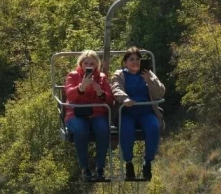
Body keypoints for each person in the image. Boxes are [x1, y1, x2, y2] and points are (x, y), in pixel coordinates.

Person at [111, 46, 165, 181]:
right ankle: (129, 163)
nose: (135, 62)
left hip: (145, 111)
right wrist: (125, 99)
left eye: (138, 59)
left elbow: (160, 92)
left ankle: (148, 163)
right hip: (127, 112)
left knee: (153, 127)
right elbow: (116, 88)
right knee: (126, 130)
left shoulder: (148, 74)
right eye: (132, 59)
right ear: (125, 62)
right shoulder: (120, 74)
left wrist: (149, 80)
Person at [64, 50, 114, 181]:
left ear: (96, 65)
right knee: (81, 130)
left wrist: (100, 92)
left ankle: (100, 168)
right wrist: (81, 88)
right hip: (76, 113)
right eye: (86, 63)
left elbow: (110, 99)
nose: (88, 66)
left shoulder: (101, 77)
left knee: (103, 130)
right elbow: (69, 94)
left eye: (92, 63)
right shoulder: (73, 76)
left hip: (97, 112)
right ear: (81, 63)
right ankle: (84, 168)